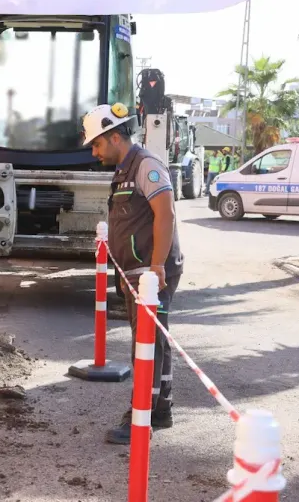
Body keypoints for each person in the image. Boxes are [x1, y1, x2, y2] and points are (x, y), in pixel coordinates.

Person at [81, 102, 185, 445]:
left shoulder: (146, 166)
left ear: (113, 138)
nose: (94, 152)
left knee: (147, 344)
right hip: (138, 271)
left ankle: (140, 416)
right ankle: (162, 410)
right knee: (155, 339)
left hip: (151, 271)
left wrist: (155, 267)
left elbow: (165, 213)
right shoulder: (125, 169)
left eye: (96, 144)